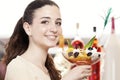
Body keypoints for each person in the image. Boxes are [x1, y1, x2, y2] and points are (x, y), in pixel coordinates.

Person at [3, 0, 91, 80]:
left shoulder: (48, 69)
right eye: (45, 22)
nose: (54, 29)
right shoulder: (17, 67)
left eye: (58, 23)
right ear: (28, 28)